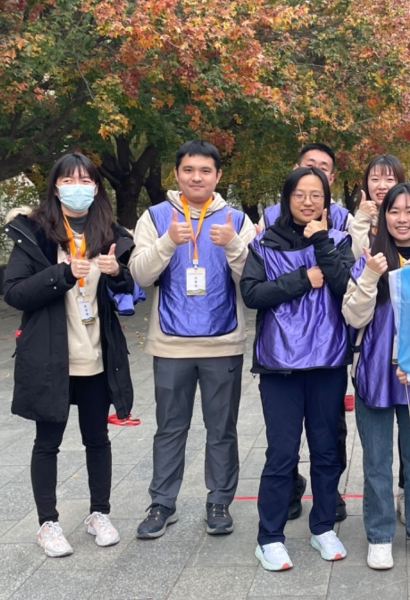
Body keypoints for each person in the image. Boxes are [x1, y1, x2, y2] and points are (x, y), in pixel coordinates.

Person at [3, 152, 135, 557]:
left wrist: (117, 273)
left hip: (96, 357)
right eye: (69, 179)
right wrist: (62, 274)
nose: (77, 187)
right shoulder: (34, 233)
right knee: (48, 443)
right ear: (56, 186)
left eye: (86, 180)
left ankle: (99, 514)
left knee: (98, 440)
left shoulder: (108, 233)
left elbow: (125, 293)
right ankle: (48, 523)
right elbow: (15, 292)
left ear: (96, 188)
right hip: (51, 360)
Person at [129, 140, 256, 539]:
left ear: (218, 176)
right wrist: (168, 242)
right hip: (170, 343)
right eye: (188, 170)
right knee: (170, 427)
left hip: (223, 342)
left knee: (222, 428)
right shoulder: (154, 217)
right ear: (176, 174)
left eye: (205, 171)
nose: (196, 177)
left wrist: (232, 244)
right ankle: (162, 502)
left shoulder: (237, 219)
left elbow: (255, 281)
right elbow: (140, 275)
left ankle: (219, 500)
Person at [242, 166, 355, 571]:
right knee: (282, 453)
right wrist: (302, 280)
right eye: (300, 194)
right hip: (280, 366)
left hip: (327, 361)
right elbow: (252, 293)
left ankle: (323, 525)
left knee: (326, 450)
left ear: (327, 200)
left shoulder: (339, 240)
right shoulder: (263, 244)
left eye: (317, 195)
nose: (309, 202)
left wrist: (321, 241)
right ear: (286, 198)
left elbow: (344, 286)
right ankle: (269, 536)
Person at [342, 183, 410, 569]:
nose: (402, 219)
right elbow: (353, 317)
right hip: (374, 374)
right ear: (382, 217)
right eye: (394, 212)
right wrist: (370, 276)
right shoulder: (369, 258)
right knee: (375, 460)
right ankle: (380, 533)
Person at [260, 143, 352, 233]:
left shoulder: (343, 219)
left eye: (323, 169)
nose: (315, 172)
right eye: (309, 166)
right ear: (295, 170)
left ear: (331, 179)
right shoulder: (269, 216)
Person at [348, 154, 406, 259]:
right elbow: (355, 260)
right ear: (367, 183)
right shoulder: (357, 221)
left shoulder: (409, 219)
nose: (382, 186)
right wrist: (362, 218)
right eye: (375, 179)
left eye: (389, 179)